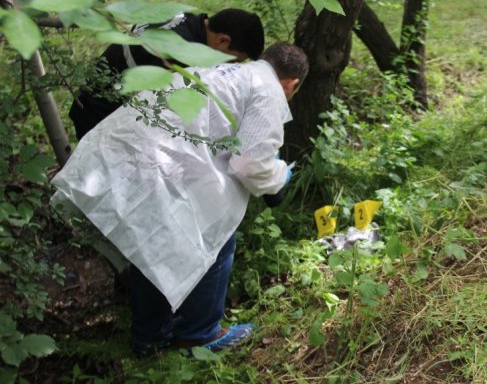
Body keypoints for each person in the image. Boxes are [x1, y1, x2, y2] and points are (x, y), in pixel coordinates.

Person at [52, 42, 309, 357]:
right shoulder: (268, 91)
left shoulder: (219, 69)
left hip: (131, 156)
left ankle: (149, 337)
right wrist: (279, 177)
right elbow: (250, 163)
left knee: (152, 246)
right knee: (217, 239)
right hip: (164, 166)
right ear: (291, 84)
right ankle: (199, 333)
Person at [69, 8, 265, 140]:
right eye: (233, 60)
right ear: (222, 40)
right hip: (100, 118)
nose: (227, 67)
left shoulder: (184, 19)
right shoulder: (181, 52)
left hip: (91, 101)